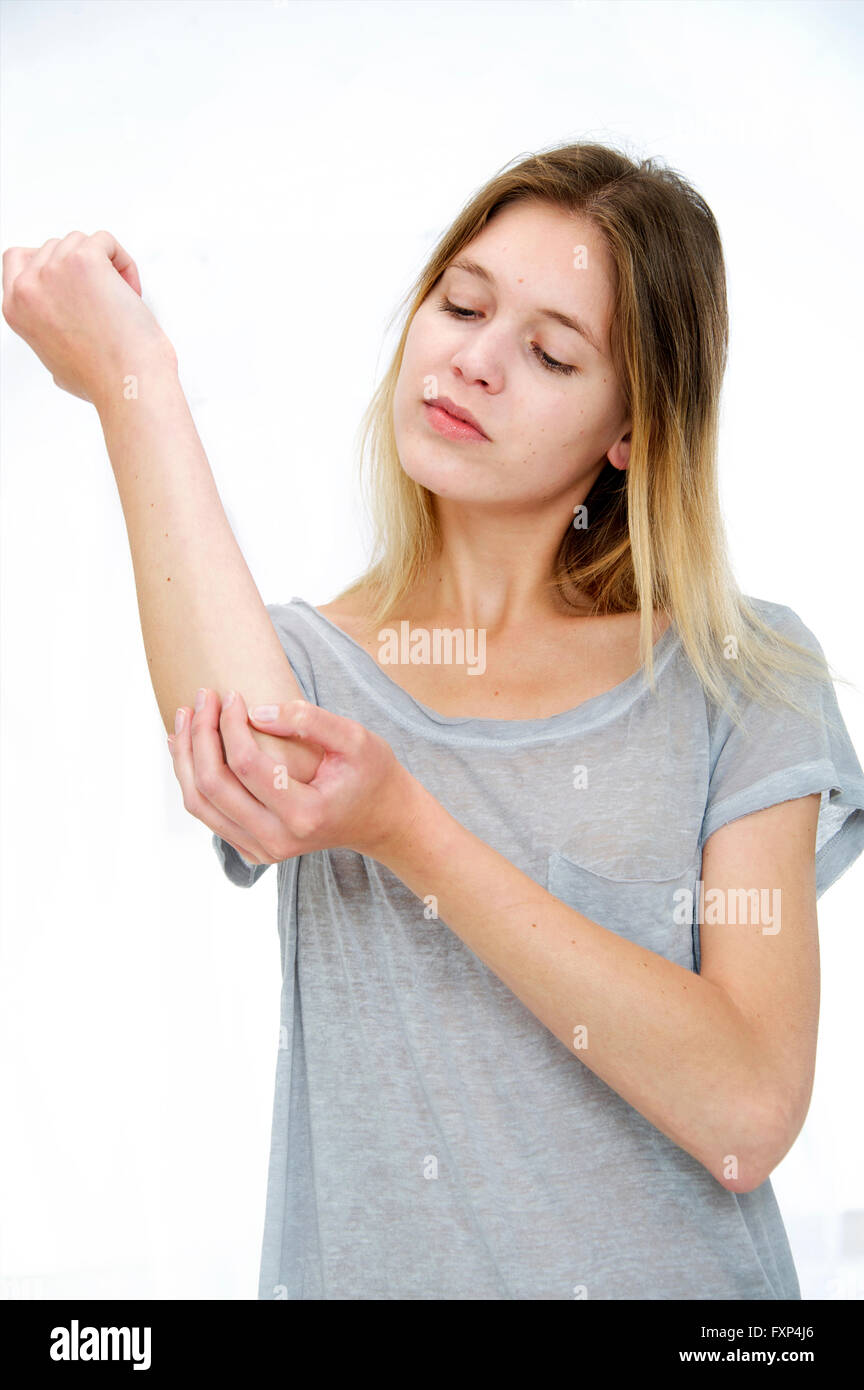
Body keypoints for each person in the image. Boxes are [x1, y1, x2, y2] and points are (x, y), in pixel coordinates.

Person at [5, 141, 863, 1301]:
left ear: (632, 435)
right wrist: (132, 377)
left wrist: (410, 826)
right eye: (460, 304)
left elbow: (748, 1111)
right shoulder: (307, 673)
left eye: (551, 352)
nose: (474, 361)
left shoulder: (741, 673)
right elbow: (264, 769)